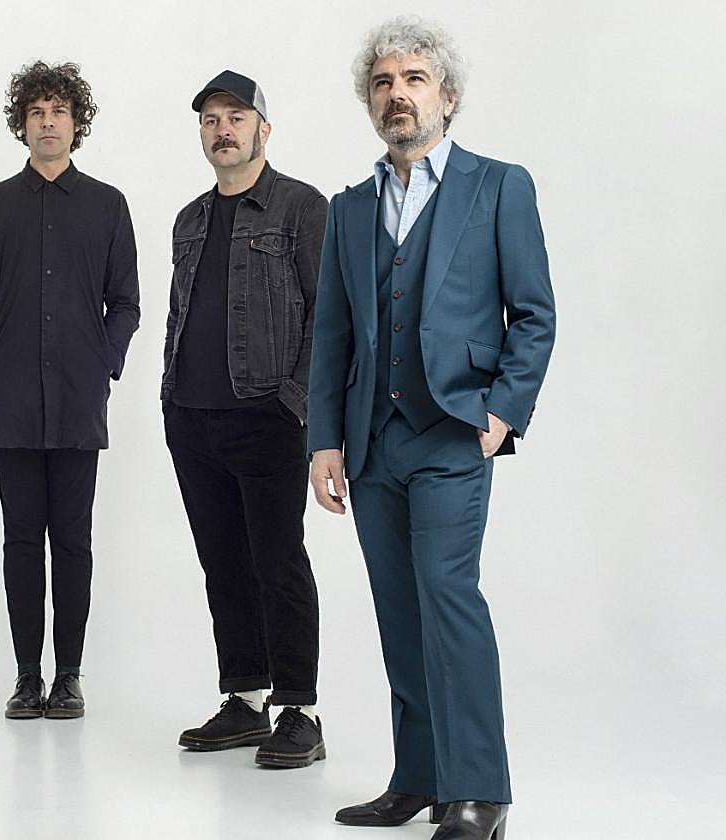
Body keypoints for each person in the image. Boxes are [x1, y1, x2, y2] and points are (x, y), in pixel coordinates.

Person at [307, 18, 556, 839]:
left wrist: (502, 413)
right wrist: (324, 439)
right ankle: (419, 778)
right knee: (398, 609)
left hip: (454, 431)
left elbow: (535, 314)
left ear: (446, 97)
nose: (397, 94)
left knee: (448, 598)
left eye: (413, 79)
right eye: (383, 82)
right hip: (372, 440)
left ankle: (479, 790)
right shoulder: (349, 209)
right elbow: (332, 335)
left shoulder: (499, 186)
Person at [0, 61, 140, 720]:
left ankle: (70, 677)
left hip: (79, 401)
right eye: (36, 112)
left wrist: (103, 363)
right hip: (13, 403)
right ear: (22, 125)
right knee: (20, 541)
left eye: (59, 110)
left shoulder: (107, 205)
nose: (48, 122)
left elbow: (126, 303)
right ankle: (27, 676)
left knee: (74, 542)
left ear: (76, 123)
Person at [164, 71, 327, 768]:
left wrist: (295, 400)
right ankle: (244, 699)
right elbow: (179, 311)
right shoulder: (190, 218)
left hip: (268, 416)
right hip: (193, 417)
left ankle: (299, 711)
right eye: (210, 120)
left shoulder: (301, 207)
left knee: (278, 562)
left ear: (264, 128)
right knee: (222, 563)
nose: (222, 130)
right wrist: (170, 397)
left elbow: (329, 316)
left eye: (235, 117)